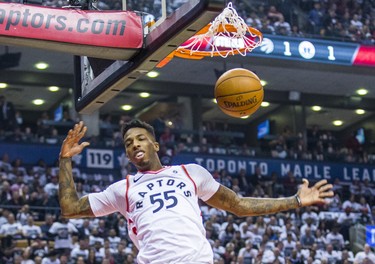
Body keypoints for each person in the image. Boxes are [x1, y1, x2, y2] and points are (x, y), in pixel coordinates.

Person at [58, 120, 334, 263]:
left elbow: (238, 205)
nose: (134, 144)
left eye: (141, 138)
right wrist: (65, 159)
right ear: (128, 154)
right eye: (129, 143)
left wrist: (296, 200)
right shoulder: (123, 188)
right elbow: (70, 208)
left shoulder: (191, 172)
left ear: (155, 145)